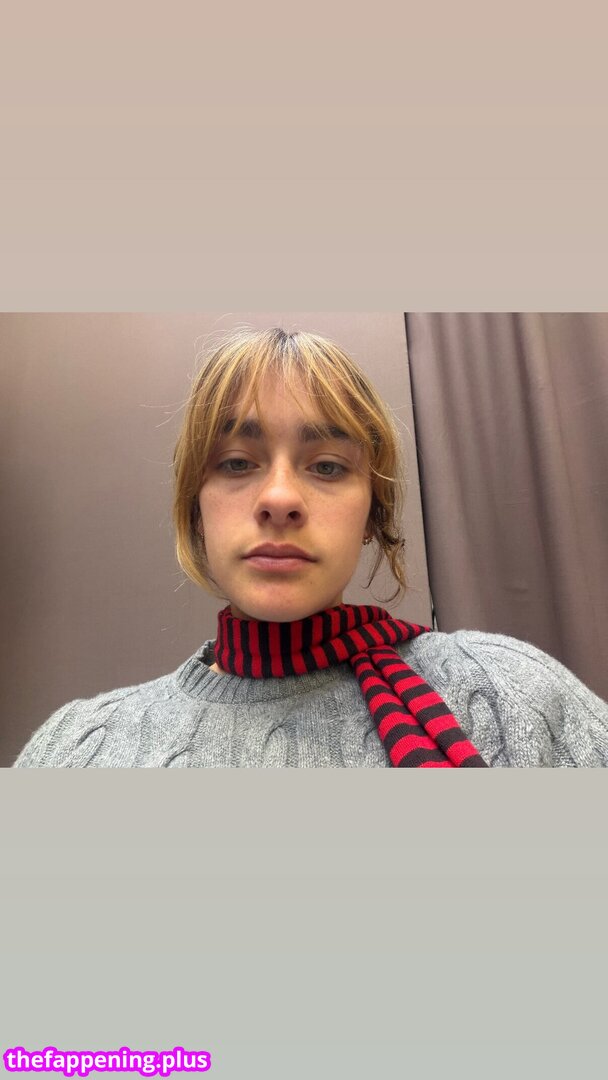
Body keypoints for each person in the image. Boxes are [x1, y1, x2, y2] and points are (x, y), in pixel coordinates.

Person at [13, 327, 608, 768]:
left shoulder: (513, 694)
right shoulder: (76, 749)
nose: (279, 498)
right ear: (196, 507)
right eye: (236, 463)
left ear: (372, 513)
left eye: (326, 466)